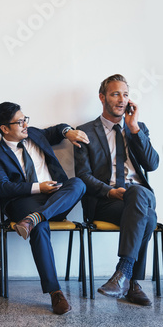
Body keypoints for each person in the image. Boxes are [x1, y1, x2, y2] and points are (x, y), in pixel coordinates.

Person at [0, 102, 88, 315]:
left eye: (25, 119)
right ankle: (55, 292)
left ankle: (35, 218)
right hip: (25, 202)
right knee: (40, 227)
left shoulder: (34, 134)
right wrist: (37, 187)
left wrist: (68, 132)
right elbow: (2, 187)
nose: (25, 125)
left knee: (78, 184)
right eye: (19, 122)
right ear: (5, 128)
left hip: (56, 199)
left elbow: (59, 128)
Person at [74, 74, 159, 306]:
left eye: (125, 94)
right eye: (115, 94)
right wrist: (109, 192)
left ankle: (123, 272)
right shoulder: (85, 132)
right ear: (102, 97)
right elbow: (82, 175)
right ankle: (132, 283)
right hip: (106, 200)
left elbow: (152, 164)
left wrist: (133, 130)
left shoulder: (138, 128)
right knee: (149, 217)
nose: (122, 99)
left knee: (138, 192)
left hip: (139, 196)